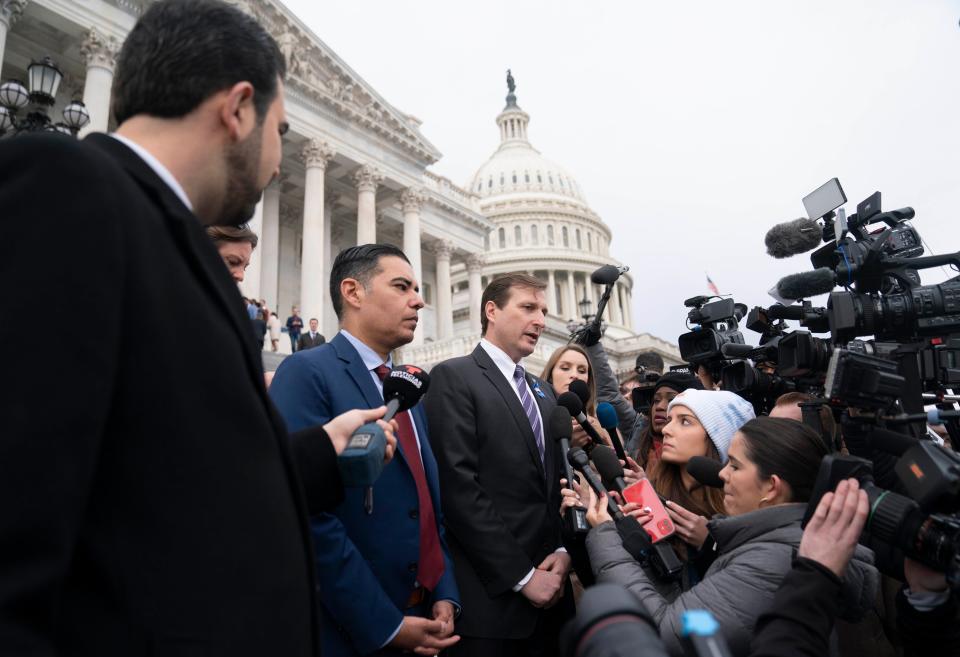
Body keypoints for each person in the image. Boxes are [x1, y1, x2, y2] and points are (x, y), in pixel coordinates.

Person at [0, 1, 399, 655]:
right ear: (238, 109)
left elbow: (173, 483)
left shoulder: (173, 250)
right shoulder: (64, 186)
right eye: (280, 130)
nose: (277, 164)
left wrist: (318, 452)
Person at [270, 244, 461, 657]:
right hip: (350, 633)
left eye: (416, 287)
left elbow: (426, 503)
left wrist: (444, 589)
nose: (420, 299)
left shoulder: (406, 390)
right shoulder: (307, 372)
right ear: (353, 292)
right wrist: (386, 625)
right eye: (401, 286)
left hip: (427, 618)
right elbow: (306, 516)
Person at [583, 416, 879, 657]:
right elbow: (692, 609)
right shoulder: (776, 543)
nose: (722, 474)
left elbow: (666, 635)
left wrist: (605, 537)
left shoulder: (769, 562)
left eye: (735, 465)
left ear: (772, 488)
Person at [425, 273, 574, 657]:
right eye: (527, 308)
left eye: (542, 310)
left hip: (553, 602)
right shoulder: (454, 377)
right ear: (491, 310)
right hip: (490, 607)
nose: (540, 320)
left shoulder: (542, 394)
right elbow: (459, 489)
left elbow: (555, 484)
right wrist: (523, 578)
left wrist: (561, 550)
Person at [540, 344, 609, 449]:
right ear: (550, 376)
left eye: (582, 371)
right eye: (565, 368)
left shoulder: (598, 422)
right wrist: (567, 445)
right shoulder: (536, 415)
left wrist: (603, 439)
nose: (575, 375)